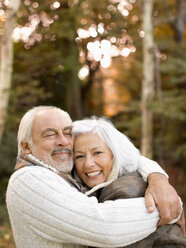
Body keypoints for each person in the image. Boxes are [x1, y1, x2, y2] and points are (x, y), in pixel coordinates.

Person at [6, 106, 184, 248]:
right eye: (50, 134)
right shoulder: (28, 179)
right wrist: (169, 207)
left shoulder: (65, 173)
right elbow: (105, 227)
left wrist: (158, 178)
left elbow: (133, 159)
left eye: (67, 133)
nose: (63, 141)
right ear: (26, 147)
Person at [72, 117, 186, 247]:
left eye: (97, 153)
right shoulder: (100, 186)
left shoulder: (123, 191)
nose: (88, 164)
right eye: (79, 156)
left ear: (115, 155)